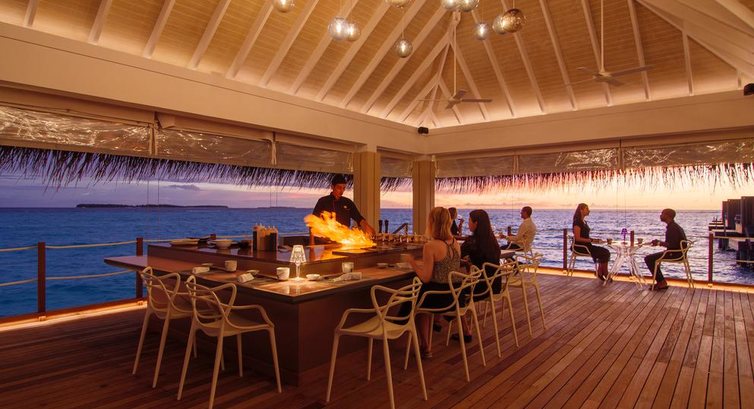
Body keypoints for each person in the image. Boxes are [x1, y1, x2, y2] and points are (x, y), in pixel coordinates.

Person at [404, 207, 462, 359]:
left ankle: (425, 346)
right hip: (454, 295)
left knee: (417, 301)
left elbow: (426, 277)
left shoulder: (430, 246)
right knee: (422, 297)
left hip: (437, 297)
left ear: (432, 222)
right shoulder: (455, 243)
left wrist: (412, 262)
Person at [644, 208, 687, 290]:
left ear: (667, 216)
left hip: (675, 254)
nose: (660, 215)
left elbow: (672, 245)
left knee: (648, 259)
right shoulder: (674, 226)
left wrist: (659, 243)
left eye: (662, 214)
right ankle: (661, 281)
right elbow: (672, 243)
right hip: (678, 253)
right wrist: (659, 243)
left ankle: (661, 282)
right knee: (652, 258)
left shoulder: (672, 228)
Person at [572, 203, 611, 280]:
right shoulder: (577, 222)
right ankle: (604, 272)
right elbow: (577, 238)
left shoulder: (584, 222)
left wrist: (596, 240)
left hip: (587, 245)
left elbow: (585, 236)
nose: (589, 211)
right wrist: (591, 240)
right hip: (580, 247)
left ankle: (600, 272)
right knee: (605, 252)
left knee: (605, 252)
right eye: (587, 209)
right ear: (581, 210)